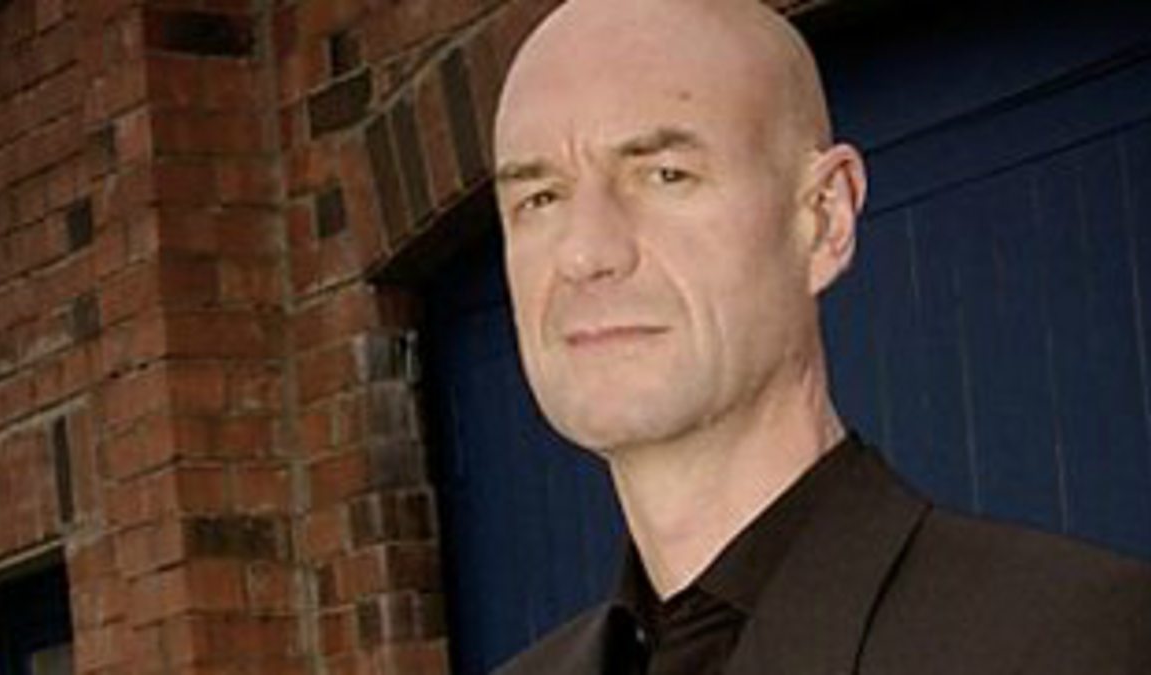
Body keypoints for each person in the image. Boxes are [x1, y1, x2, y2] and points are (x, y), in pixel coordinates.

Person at [489, 0, 1151, 673]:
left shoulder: (1073, 641)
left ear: (826, 218)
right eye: (540, 198)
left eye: (666, 176)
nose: (584, 252)